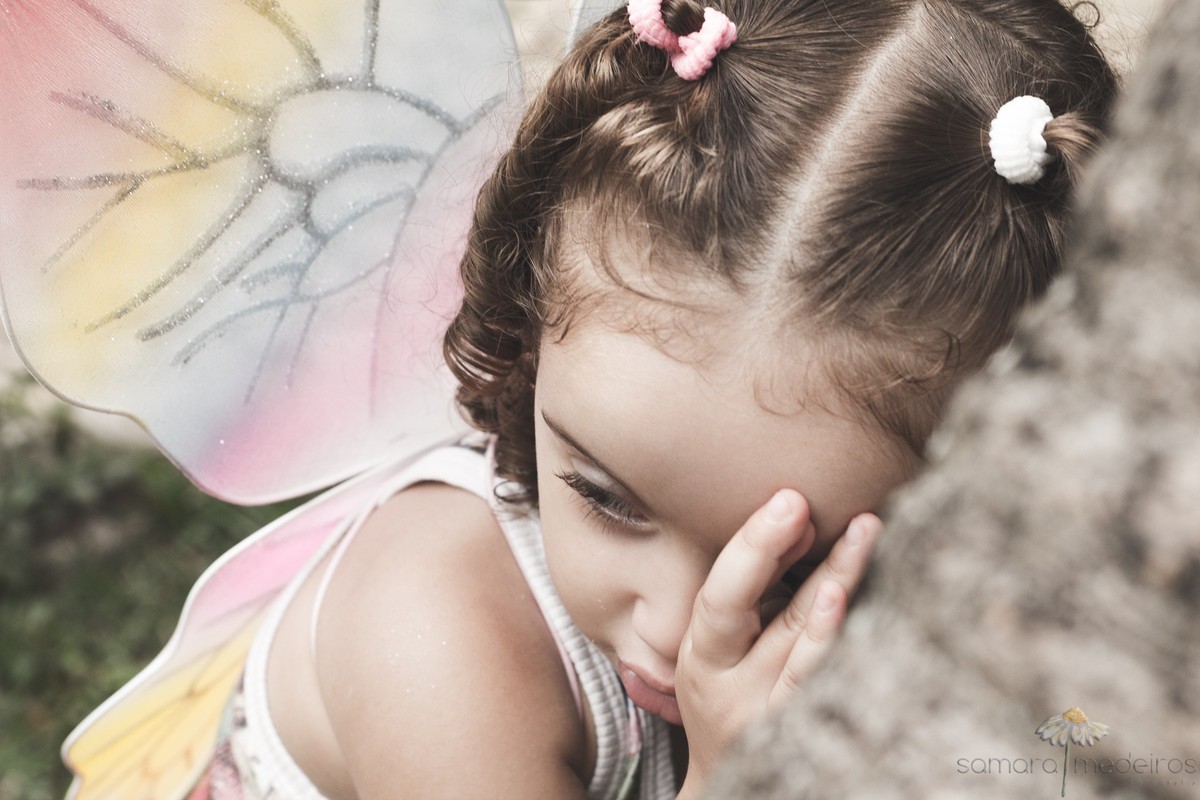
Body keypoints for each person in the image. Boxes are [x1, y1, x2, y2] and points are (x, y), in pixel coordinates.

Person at [187, 0, 1117, 797]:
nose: (678, 629)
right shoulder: (435, 634)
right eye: (605, 497)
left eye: (794, 571)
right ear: (527, 321)